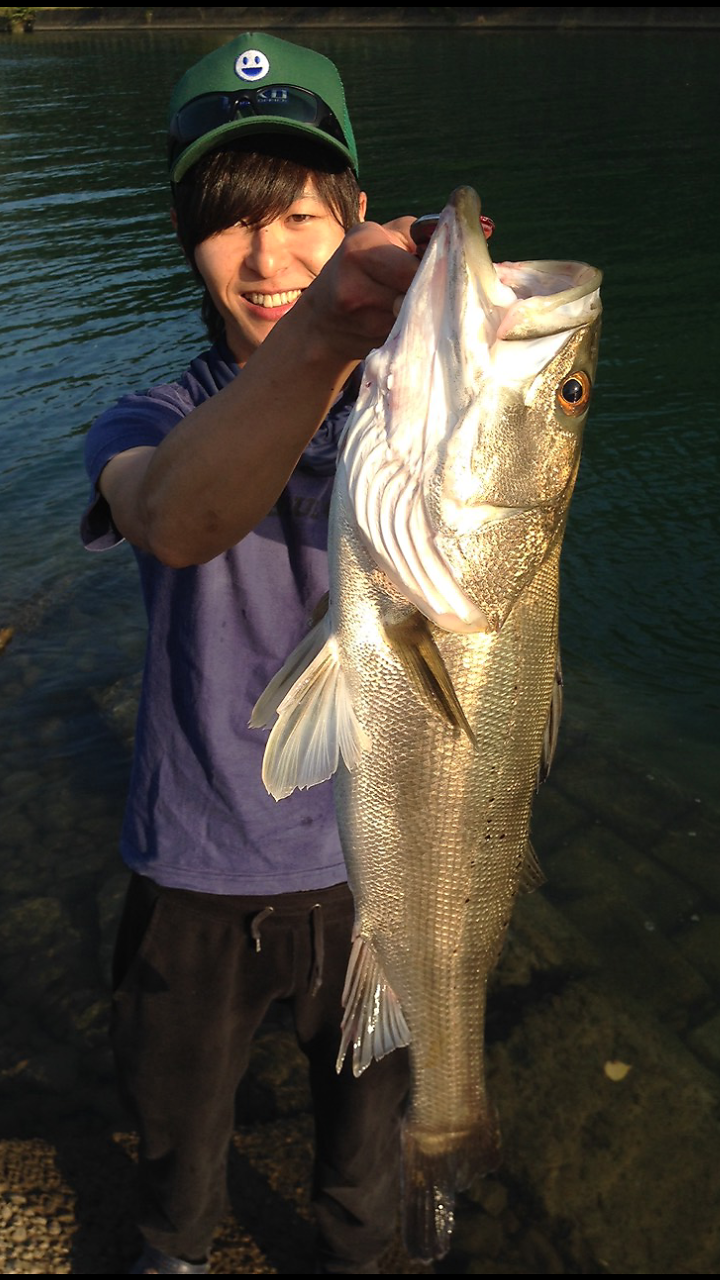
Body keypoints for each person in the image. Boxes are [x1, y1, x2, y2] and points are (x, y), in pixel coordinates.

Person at [80, 30, 421, 1278]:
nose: (268, 258)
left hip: (380, 870)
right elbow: (175, 517)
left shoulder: (416, 411)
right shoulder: (150, 419)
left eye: (298, 216)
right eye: (229, 221)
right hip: (197, 863)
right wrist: (329, 333)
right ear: (188, 238)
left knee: (367, 1172)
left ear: (356, 218)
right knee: (175, 1159)